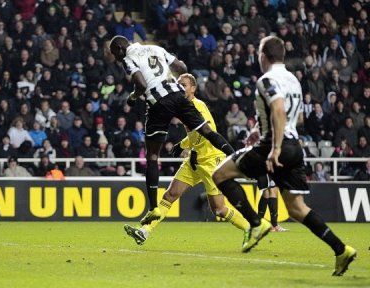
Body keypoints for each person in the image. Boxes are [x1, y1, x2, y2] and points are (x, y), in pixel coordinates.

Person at [211, 36, 355, 275]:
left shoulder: (266, 79)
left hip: (274, 147)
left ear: (264, 55)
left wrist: (274, 146)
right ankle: (342, 250)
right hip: (294, 147)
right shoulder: (293, 80)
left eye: (258, 53)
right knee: (297, 209)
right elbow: (295, 118)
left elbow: (278, 108)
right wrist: (260, 129)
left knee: (220, 175)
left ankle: (256, 224)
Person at [109, 36, 234, 225]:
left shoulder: (128, 58)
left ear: (119, 49)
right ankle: (239, 160)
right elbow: (182, 67)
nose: (117, 58)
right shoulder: (155, 48)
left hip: (158, 103)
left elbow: (141, 85)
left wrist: (133, 97)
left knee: (152, 157)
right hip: (177, 95)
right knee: (207, 131)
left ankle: (152, 209)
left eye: (115, 54)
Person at [124, 74, 249, 245]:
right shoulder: (182, 106)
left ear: (193, 88)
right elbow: (193, 134)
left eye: (184, 85)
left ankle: (249, 227)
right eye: (178, 84)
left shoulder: (198, 105)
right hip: (194, 161)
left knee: (219, 210)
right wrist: (182, 145)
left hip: (211, 161)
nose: (180, 87)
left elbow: (207, 132)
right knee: (170, 195)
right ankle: (145, 231)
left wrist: (187, 146)